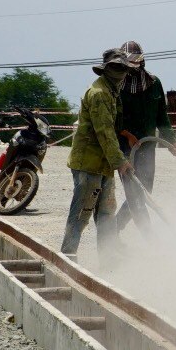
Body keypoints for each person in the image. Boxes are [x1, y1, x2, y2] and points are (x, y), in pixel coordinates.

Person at [61, 48, 133, 259]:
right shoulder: (100, 94)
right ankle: (68, 258)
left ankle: (109, 262)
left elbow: (113, 130)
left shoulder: (111, 92)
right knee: (81, 215)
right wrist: (120, 160)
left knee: (107, 215)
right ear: (106, 69)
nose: (119, 72)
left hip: (104, 164)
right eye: (115, 67)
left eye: (122, 68)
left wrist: (120, 159)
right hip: (89, 163)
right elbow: (104, 132)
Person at [115, 40, 176, 236]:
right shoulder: (117, 87)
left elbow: (162, 116)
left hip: (148, 147)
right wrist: (126, 135)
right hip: (126, 149)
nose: (134, 67)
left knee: (144, 191)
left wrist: (171, 141)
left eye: (137, 62)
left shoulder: (154, 83)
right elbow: (112, 119)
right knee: (134, 192)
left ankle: (114, 227)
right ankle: (149, 238)